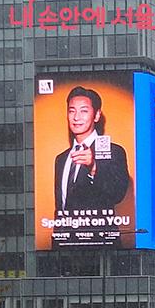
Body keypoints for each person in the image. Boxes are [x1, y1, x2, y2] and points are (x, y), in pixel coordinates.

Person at [54, 85, 131, 213]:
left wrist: (94, 167)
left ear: (96, 115)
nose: (76, 117)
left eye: (84, 111)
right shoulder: (61, 159)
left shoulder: (114, 151)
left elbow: (117, 194)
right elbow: (60, 207)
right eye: (72, 111)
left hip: (98, 226)